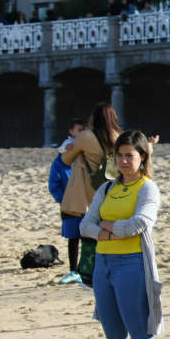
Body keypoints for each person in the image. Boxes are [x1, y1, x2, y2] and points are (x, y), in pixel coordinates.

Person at [79, 130, 162, 339]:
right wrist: (106, 230)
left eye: (130, 155)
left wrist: (106, 227)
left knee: (142, 335)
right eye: (120, 155)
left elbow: (139, 224)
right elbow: (85, 226)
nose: (124, 161)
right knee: (114, 338)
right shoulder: (107, 189)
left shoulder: (147, 188)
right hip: (104, 265)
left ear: (143, 157)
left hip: (132, 264)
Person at [62, 103, 123, 288]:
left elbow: (66, 159)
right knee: (108, 227)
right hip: (112, 188)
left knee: (89, 228)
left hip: (90, 189)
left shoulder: (85, 136)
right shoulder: (119, 136)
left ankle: (88, 274)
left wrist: (76, 152)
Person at [50, 119, 88, 284]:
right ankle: (73, 271)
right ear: (71, 131)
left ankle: (86, 270)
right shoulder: (60, 161)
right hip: (70, 206)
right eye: (78, 131)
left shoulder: (89, 157)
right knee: (73, 238)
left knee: (89, 237)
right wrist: (64, 201)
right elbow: (54, 185)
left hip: (88, 204)